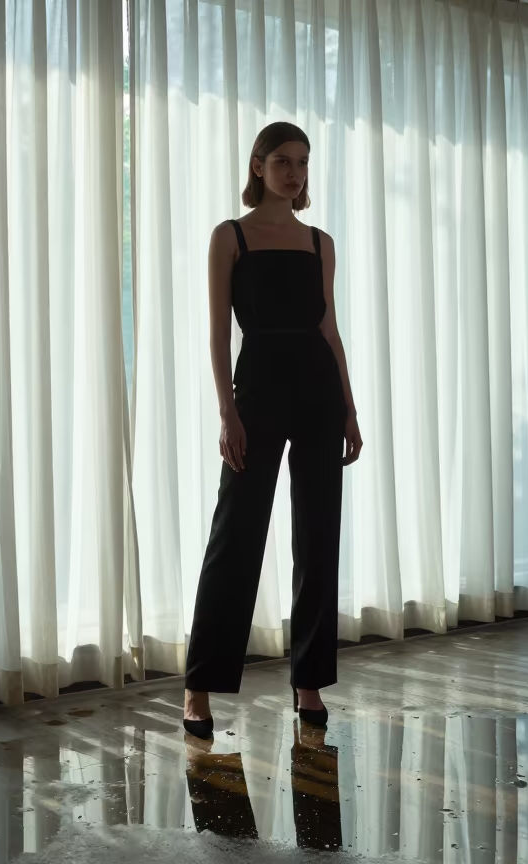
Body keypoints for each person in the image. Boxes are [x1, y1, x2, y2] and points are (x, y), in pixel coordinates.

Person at [182, 122, 362, 740]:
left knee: (317, 537)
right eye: (282, 161)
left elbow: (329, 329)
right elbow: (215, 334)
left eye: (303, 163)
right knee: (236, 535)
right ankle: (199, 687)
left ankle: (308, 680)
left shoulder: (320, 242)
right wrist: (227, 409)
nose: (294, 172)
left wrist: (349, 406)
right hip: (256, 388)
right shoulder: (229, 237)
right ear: (258, 166)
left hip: (315, 389)